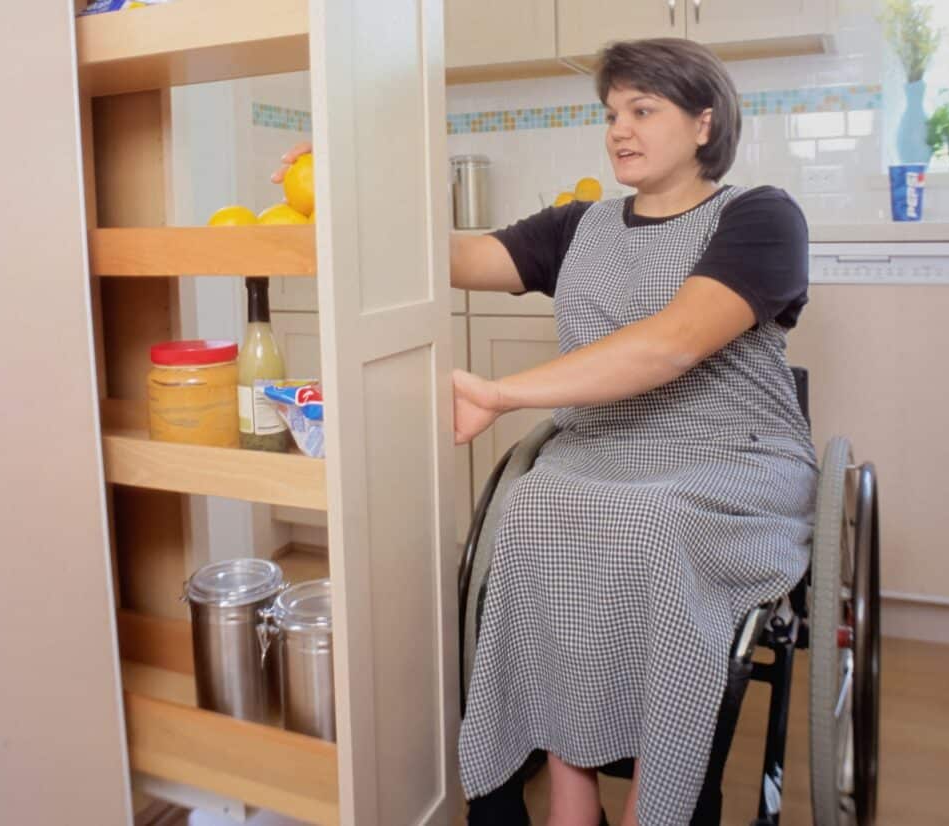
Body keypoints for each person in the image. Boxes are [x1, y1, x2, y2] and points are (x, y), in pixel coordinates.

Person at [275, 37, 816, 826]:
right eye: (611, 114)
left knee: (651, 524)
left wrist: (499, 393)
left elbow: (673, 343)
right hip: (601, 448)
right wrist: (340, 193)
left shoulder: (761, 216)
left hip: (731, 455)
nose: (618, 129)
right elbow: (451, 257)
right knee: (532, 509)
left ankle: (656, 796)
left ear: (704, 124)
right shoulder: (577, 228)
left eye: (643, 110)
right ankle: (569, 785)